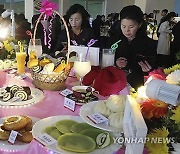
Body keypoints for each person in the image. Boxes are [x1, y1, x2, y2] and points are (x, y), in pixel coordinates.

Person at [115, 5, 157, 90]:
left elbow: (154, 66)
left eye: (131, 27)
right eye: (123, 26)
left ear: (139, 25)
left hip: (138, 84)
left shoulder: (149, 43)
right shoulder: (115, 40)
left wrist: (147, 70)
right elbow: (106, 59)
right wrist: (116, 62)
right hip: (116, 83)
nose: (127, 30)